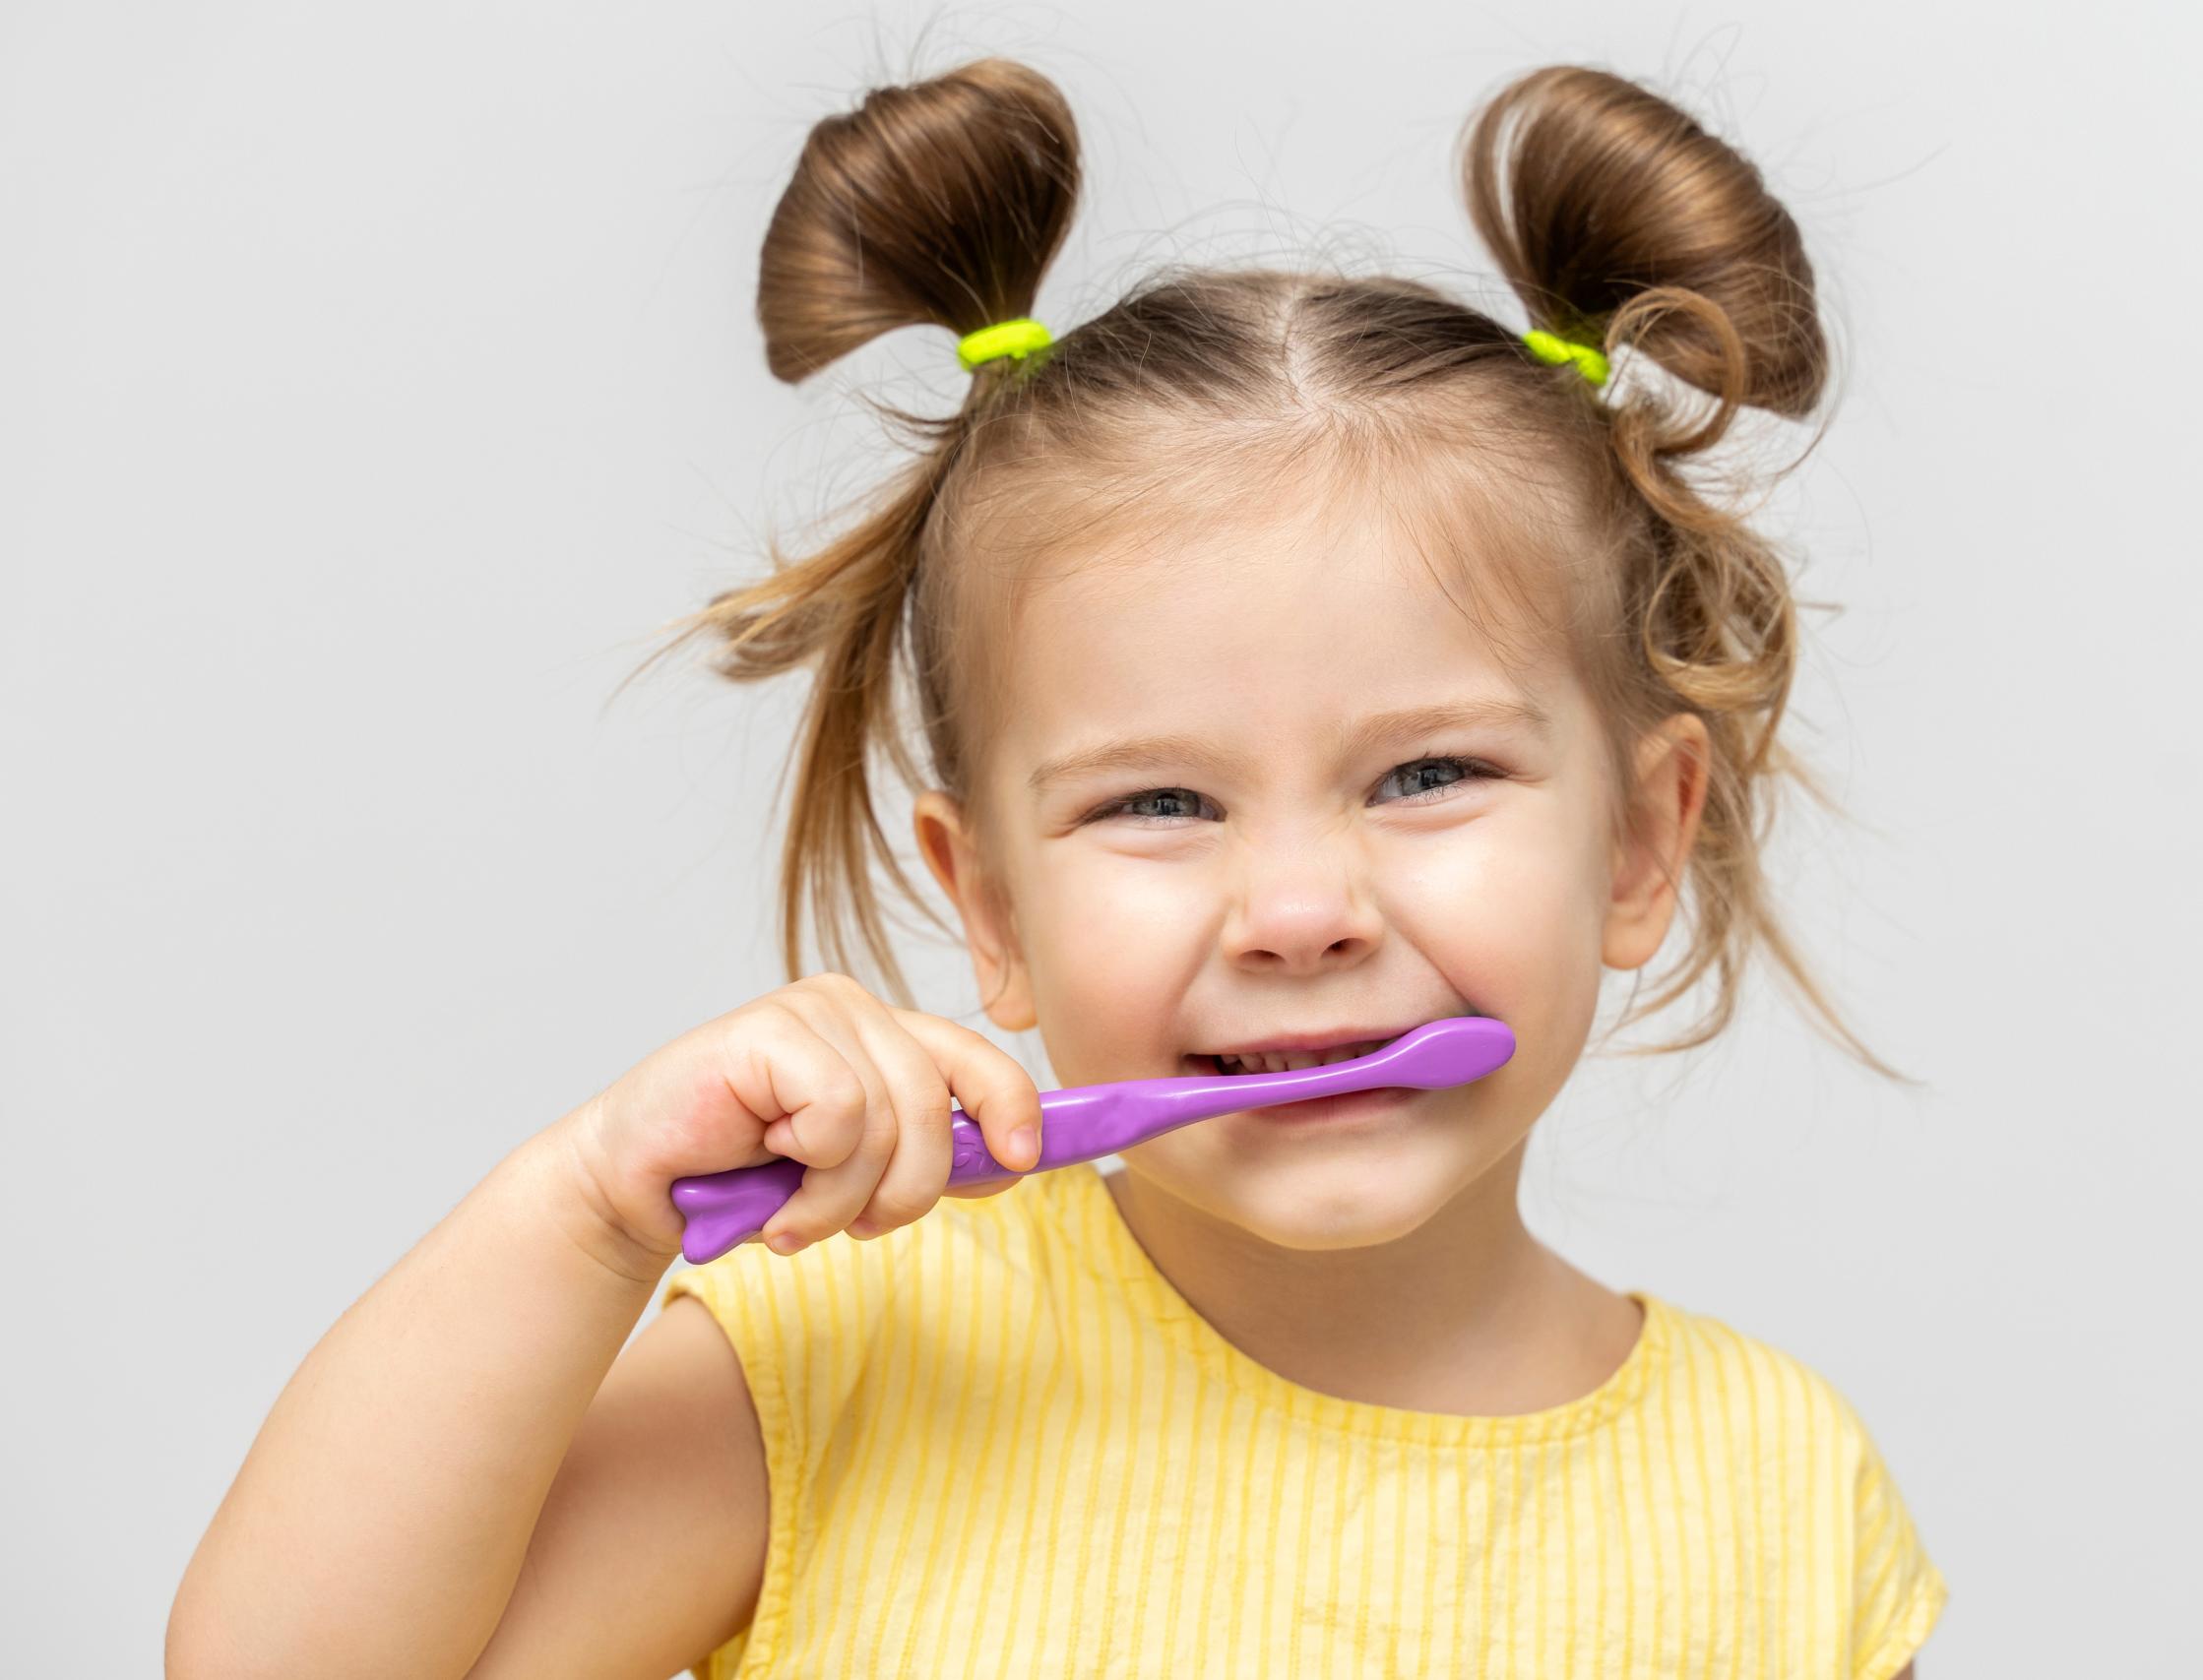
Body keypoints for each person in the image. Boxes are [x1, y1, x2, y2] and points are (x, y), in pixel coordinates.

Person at [169, 56, 1946, 1679]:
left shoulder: (1782, 1495)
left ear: (1643, 839)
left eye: (1426, 773)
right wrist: (586, 1209)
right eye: (1161, 805)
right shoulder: (838, 1361)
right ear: (993, 908)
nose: (1303, 915)